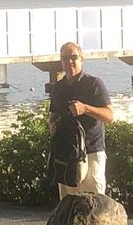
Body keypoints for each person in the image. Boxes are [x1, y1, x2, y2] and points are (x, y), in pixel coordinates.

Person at [47, 41, 114, 199]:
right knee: (67, 206)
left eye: (73, 57)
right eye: (65, 58)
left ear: (81, 59)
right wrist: (52, 126)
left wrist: (86, 108)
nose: (69, 62)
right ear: (60, 61)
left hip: (91, 153)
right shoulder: (58, 87)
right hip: (65, 154)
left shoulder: (93, 84)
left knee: (94, 205)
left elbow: (109, 116)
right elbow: (52, 116)